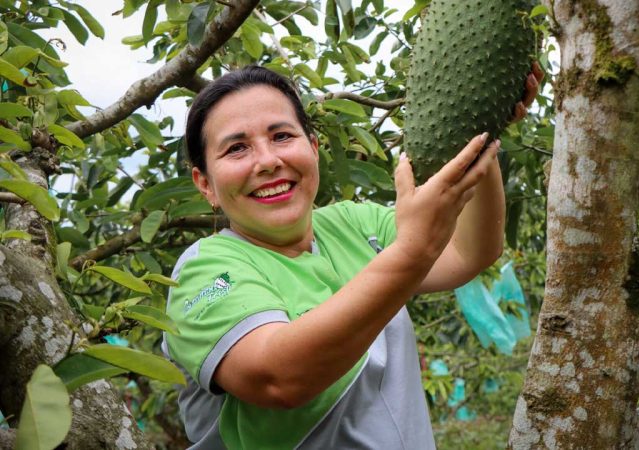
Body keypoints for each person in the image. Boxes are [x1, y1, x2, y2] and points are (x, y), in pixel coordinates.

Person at [163, 65, 542, 449]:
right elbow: (277, 378)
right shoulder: (203, 272)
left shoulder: (355, 223)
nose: (267, 161)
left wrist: (481, 124)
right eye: (236, 148)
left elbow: (468, 250)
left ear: (313, 148)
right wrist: (411, 251)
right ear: (205, 184)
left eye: (281, 136)